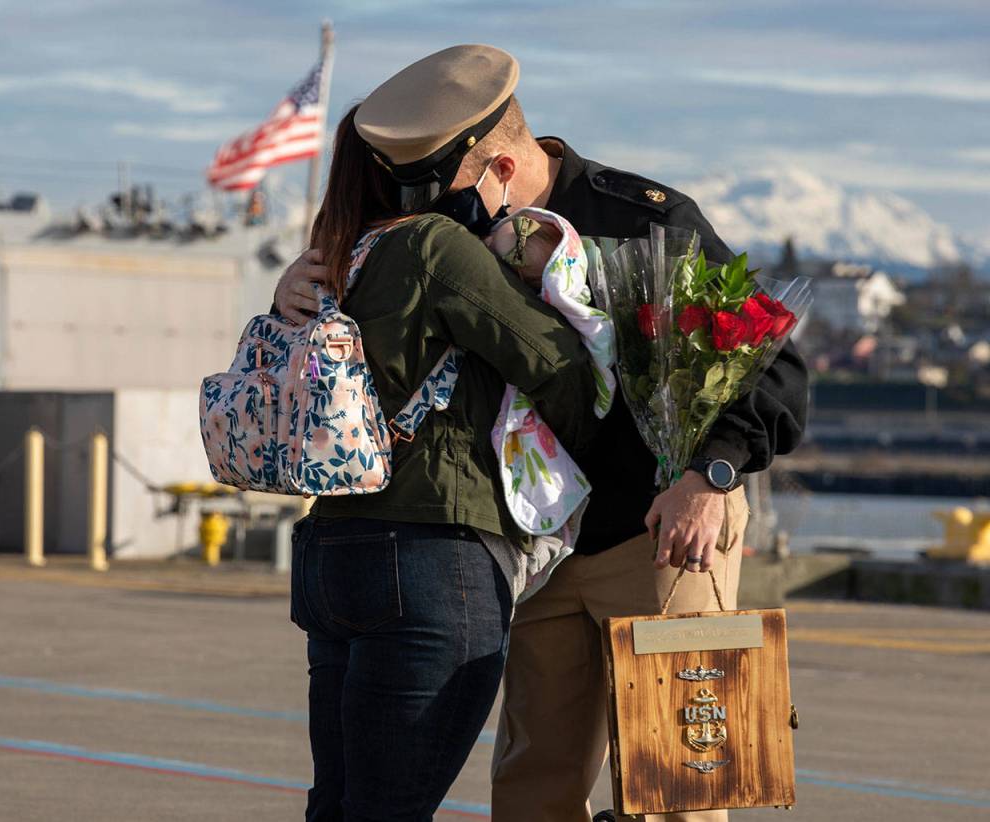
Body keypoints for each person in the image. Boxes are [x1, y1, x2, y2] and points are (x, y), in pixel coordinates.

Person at [276, 45, 809, 822]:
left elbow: (777, 372)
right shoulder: (440, 237)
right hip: (540, 552)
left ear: (496, 168)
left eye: (439, 186)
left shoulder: (645, 222)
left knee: (679, 793)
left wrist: (712, 477)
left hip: (662, 539)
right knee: (531, 789)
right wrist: (299, 287)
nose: (423, 204)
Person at [287, 66, 603, 821]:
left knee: (338, 804)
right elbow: (561, 373)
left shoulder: (329, 260)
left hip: (331, 555)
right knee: (391, 808)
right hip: (432, 559)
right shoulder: (433, 247)